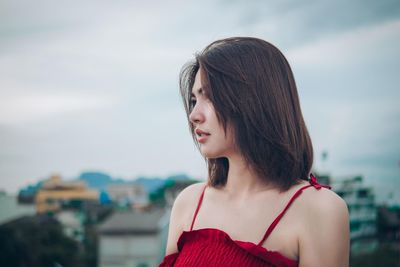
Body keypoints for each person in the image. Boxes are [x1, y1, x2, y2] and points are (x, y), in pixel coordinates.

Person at [159, 37, 349, 267]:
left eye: (208, 97)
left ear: (254, 100)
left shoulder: (319, 209)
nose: (194, 115)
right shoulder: (189, 203)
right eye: (193, 100)